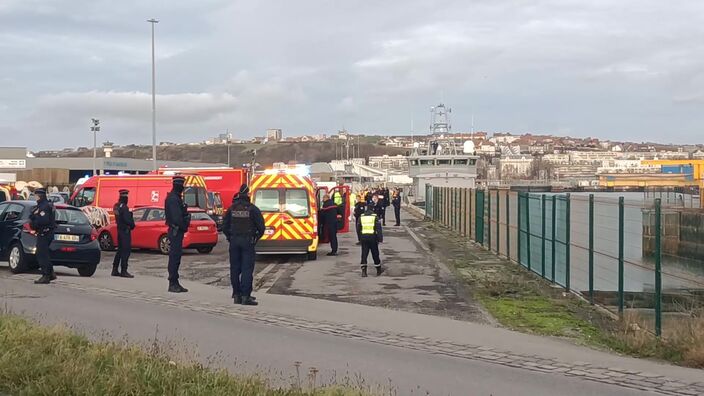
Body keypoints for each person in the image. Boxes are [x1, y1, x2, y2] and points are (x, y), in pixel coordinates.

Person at [223, 184, 265, 306]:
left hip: (234, 241)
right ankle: (246, 296)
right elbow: (261, 227)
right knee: (247, 269)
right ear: (247, 194)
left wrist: (230, 237)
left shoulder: (232, 209)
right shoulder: (252, 209)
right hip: (247, 241)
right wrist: (255, 238)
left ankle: (237, 295)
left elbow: (225, 226)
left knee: (235, 268)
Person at [165, 176, 191, 293]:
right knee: (174, 257)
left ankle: (175, 282)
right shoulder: (173, 199)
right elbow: (176, 218)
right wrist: (184, 224)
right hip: (176, 231)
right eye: (182, 185)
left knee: (176, 257)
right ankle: (172, 282)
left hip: (176, 230)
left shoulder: (175, 198)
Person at [31, 188, 57, 284]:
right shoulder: (46, 205)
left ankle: (46, 275)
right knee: (44, 254)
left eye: (36, 195)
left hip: (44, 232)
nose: (35, 197)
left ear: (39, 196)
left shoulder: (44, 206)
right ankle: (51, 273)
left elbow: (43, 220)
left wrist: (34, 222)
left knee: (41, 254)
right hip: (47, 232)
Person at [112, 189, 135, 278]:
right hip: (125, 231)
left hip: (119, 230)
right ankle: (124, 270)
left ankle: (114, 269)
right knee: (126, 251)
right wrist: (132, 224)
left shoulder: (116, 206)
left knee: (120, 250)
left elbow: (118, 217)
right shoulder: (124, 207)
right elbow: (127, 219)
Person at [357, 203, 384, 277]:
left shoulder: (361, 217)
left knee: (364, 254)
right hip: (372, 237)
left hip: (364, 237)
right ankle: (378, 270)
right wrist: (380, 239)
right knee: (375, 253)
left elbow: (358, 228)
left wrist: (359, 238)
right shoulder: (375, 217)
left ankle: (364, 271)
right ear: (373, 209)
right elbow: (379, 229)